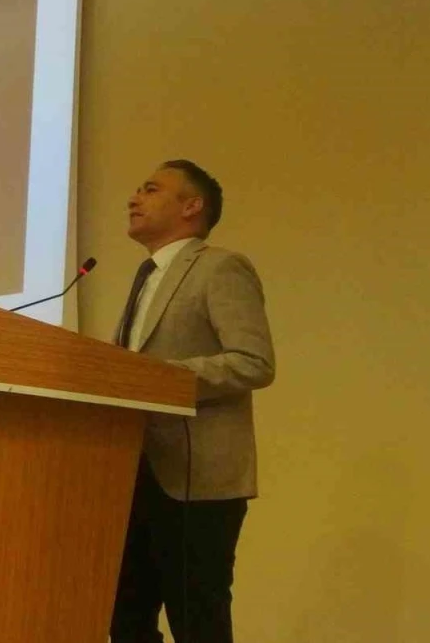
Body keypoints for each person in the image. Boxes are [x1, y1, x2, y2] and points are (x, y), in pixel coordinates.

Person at [110, 160, 276, 643]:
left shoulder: (220, 267)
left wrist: (159, 377)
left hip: (195, 477)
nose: (133, 198)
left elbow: (254, 362)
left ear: (191, 206)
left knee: (198, 622)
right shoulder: (145, 278)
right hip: (131, 473)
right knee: (123, 621)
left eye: (151, 189)